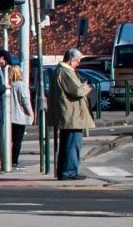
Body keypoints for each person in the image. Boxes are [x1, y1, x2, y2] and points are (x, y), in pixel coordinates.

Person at [41, 48, 96, 181]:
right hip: (71, 115)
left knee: (67, 144)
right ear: (71, 60)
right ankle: (69, 171)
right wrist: (87, 86)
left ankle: (65, 171)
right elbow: (76, 91)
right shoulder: (66, 72)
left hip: (69, 115)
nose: (79, 64)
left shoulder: (61, 71)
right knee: (72, 144)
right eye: (77, 61)